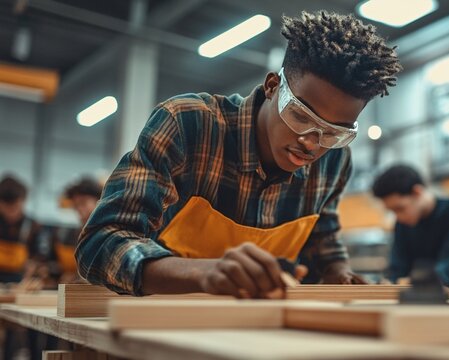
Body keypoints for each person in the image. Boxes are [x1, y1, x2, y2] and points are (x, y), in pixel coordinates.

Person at [76, 11, 402, 298]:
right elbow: (100, 244)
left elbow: (322, 235)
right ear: (274, 86)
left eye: (334, 132)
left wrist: (338, 272)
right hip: (163, 319)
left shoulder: (334, 160)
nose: (312, 144)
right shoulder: (188, 123)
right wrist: (205, 274)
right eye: (301, 116)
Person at [371, 165, 449, 291]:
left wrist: (411, 282)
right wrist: (388, 282)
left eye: (400, 208)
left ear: (417, 192)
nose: (398, 216)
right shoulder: (402, 224)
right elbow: (397, 268)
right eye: (392, 211)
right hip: (420, 296)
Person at [54, 177, 103, 282]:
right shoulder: (77, 232)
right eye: (76, 205)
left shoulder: (107, 233)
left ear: (99, 201)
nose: (79, 209)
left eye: (83, 203)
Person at [0, 175, 41, 283]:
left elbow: (38, 256)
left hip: (19, 282)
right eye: (7, 208)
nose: (11, 213)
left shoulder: (33, 226)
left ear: (23, 201)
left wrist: (33, 266)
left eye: (15, 208)